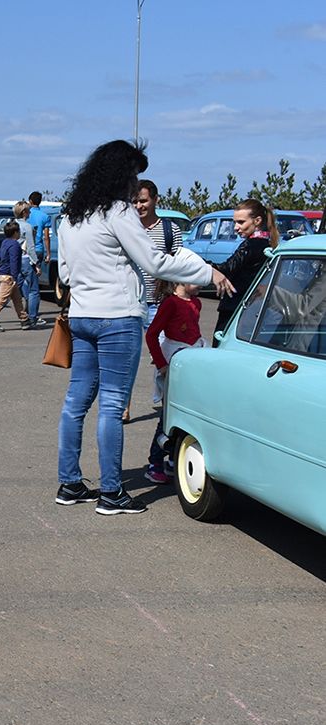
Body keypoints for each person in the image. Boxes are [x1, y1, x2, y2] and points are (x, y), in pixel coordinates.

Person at [54, 140, 234, 515]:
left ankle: (69, 484)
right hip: (117, 318)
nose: (136, 182)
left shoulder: (71, 216)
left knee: (76, 403)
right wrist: (208, 271)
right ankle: (111, 493)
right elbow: (154, 262)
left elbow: (65, 273)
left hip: (82, 316)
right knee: (112, 405)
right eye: (134, 173)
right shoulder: (118, 212)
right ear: (122, 173)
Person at [143, 279, 204, 484]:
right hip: (173, 362)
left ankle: (173, 460)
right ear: (180, 280)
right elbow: (152, 334)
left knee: (186, 414)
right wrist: (161, 364)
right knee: (168, 415)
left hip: (192, 362)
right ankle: (155, 462)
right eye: (195, 276)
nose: (201, 281)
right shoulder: (170, 303)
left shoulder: (196, 302)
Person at [130, 179, 183, 414]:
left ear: (155, 200)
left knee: (163, 358)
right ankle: (124, 406)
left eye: (143, 200)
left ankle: (166, 404)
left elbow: (180, 264)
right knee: (127, 358)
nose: (138, 206)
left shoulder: (170, 230)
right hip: (131, 303)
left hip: (160, 304)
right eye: (134, 201)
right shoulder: (127, 228)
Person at [212, 198, 279, 343]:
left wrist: (197, 264)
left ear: (257, 221)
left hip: (236, 310)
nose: (236, 227)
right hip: (254, 310)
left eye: (241, 222)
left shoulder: (251, 245)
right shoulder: (267, 243)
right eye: (235, 222)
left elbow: (227, 268)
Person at [0, 221, 29, 331]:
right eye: (19, 231)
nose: (20, 233)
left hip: (4, 274)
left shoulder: (5, 242)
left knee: (17, 299)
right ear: (15, 233)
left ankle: (24, 319)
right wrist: (14, 276)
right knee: (1, 299)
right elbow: (14, 261)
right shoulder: (15, 245)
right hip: (9, 276)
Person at [12, 201, 44, 327]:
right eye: (29, 210)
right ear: (24, 212)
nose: (30, 212)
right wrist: (36, 263)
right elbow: (30, 247)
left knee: (15, 288)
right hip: (26, 259)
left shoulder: (12, 225)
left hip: (15, 259)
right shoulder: (27, 227)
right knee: (33, 290)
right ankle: (32, 317)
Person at [26, 191, 52, 320]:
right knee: (34, 283)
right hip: (39, 249)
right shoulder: (45, 216)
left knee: (26, 280)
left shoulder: (26, 215)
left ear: (30, 201)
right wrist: (48, 253)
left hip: (26, 250)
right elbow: (46, 237)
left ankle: (28, 308)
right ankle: (32, 312)